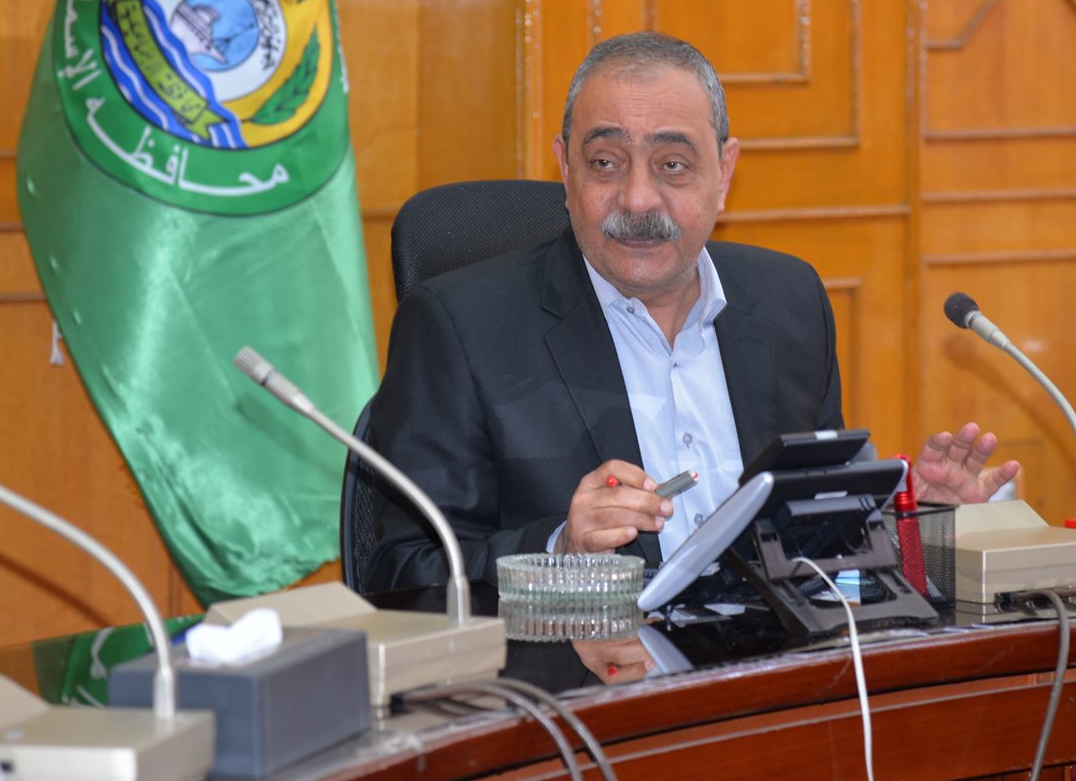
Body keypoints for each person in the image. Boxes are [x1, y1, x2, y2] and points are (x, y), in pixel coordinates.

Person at [359, 32, 1018, 591]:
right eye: (605, 162)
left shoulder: (788, 301)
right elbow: (403, 575)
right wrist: (559, 552)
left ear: (724, 173)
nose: (638, 199)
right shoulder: (459, 328)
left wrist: (911, 521)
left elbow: (817, 534)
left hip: (773, 666)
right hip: (597, 684)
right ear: (565, 168)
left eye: (672, 164)